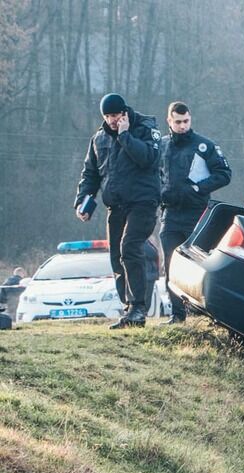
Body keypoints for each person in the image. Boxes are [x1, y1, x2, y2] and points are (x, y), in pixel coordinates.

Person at [74, 92, 161, 329]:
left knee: (130, 247)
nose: (112, 120)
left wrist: (125, 136)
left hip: (143, 202)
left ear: (124, 113)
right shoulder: (99, 139)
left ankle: (138, 308)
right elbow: (91, 174)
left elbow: (149, 159)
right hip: (116, 205)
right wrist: (83, 200)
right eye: (108, 116)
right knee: (116, 257)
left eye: (116, 115)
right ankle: (128, 308)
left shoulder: (145, 129)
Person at [158, 101, 231, 324]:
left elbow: (224, 174)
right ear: (169, 121)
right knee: (171, 264)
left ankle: (207, 313)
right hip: (170, 214)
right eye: (178, 122)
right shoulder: (161, 146)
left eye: (186, 121)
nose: (182, 126)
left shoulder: (204, 146)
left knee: (199, 264)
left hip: (196, 212)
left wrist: (198, 188)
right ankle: (177, 315)